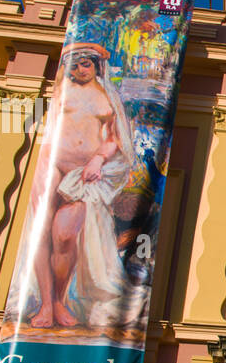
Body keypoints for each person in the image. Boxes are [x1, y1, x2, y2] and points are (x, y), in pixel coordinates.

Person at [10, 41, 134, 329]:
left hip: (81, 171)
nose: (80, 69)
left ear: (96, 65)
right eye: (74, 64)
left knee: (65, 236)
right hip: (51, 164)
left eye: (85, 63)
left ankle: (59, 300)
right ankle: (45, 303)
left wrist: (98, 160)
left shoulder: (107, 95)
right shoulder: (57, 91)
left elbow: (115, 137)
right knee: (42, 229)